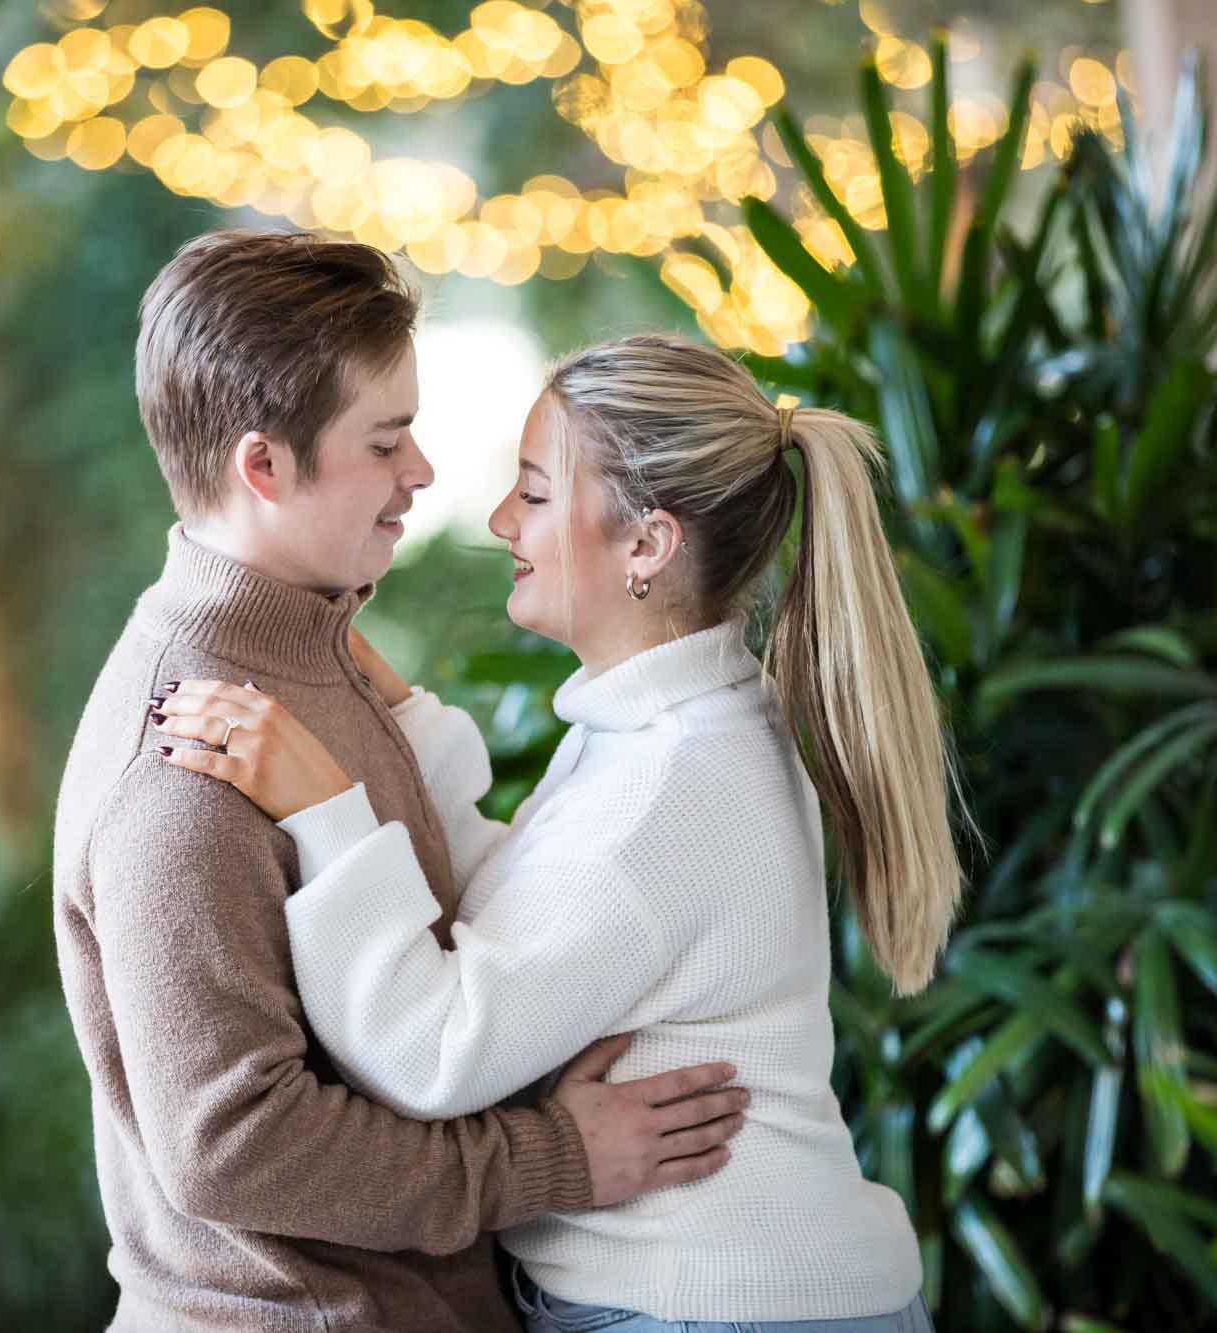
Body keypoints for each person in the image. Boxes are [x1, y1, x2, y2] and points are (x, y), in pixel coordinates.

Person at [156, 333, 964, 1332]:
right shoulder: (680, 729)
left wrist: (325, 814)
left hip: (711, 1310)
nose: (502, 518)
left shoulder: (668, 789)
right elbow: (549, 922)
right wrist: (408, 725)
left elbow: (434, 1051)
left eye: (533, 493)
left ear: (645, 544)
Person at [55, 236, 753, 1333]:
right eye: (385, 441)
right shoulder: (182, 766)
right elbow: (233, 1147)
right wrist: (546, 1159)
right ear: (263, 466)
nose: (422, 474)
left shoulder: (316, 657)